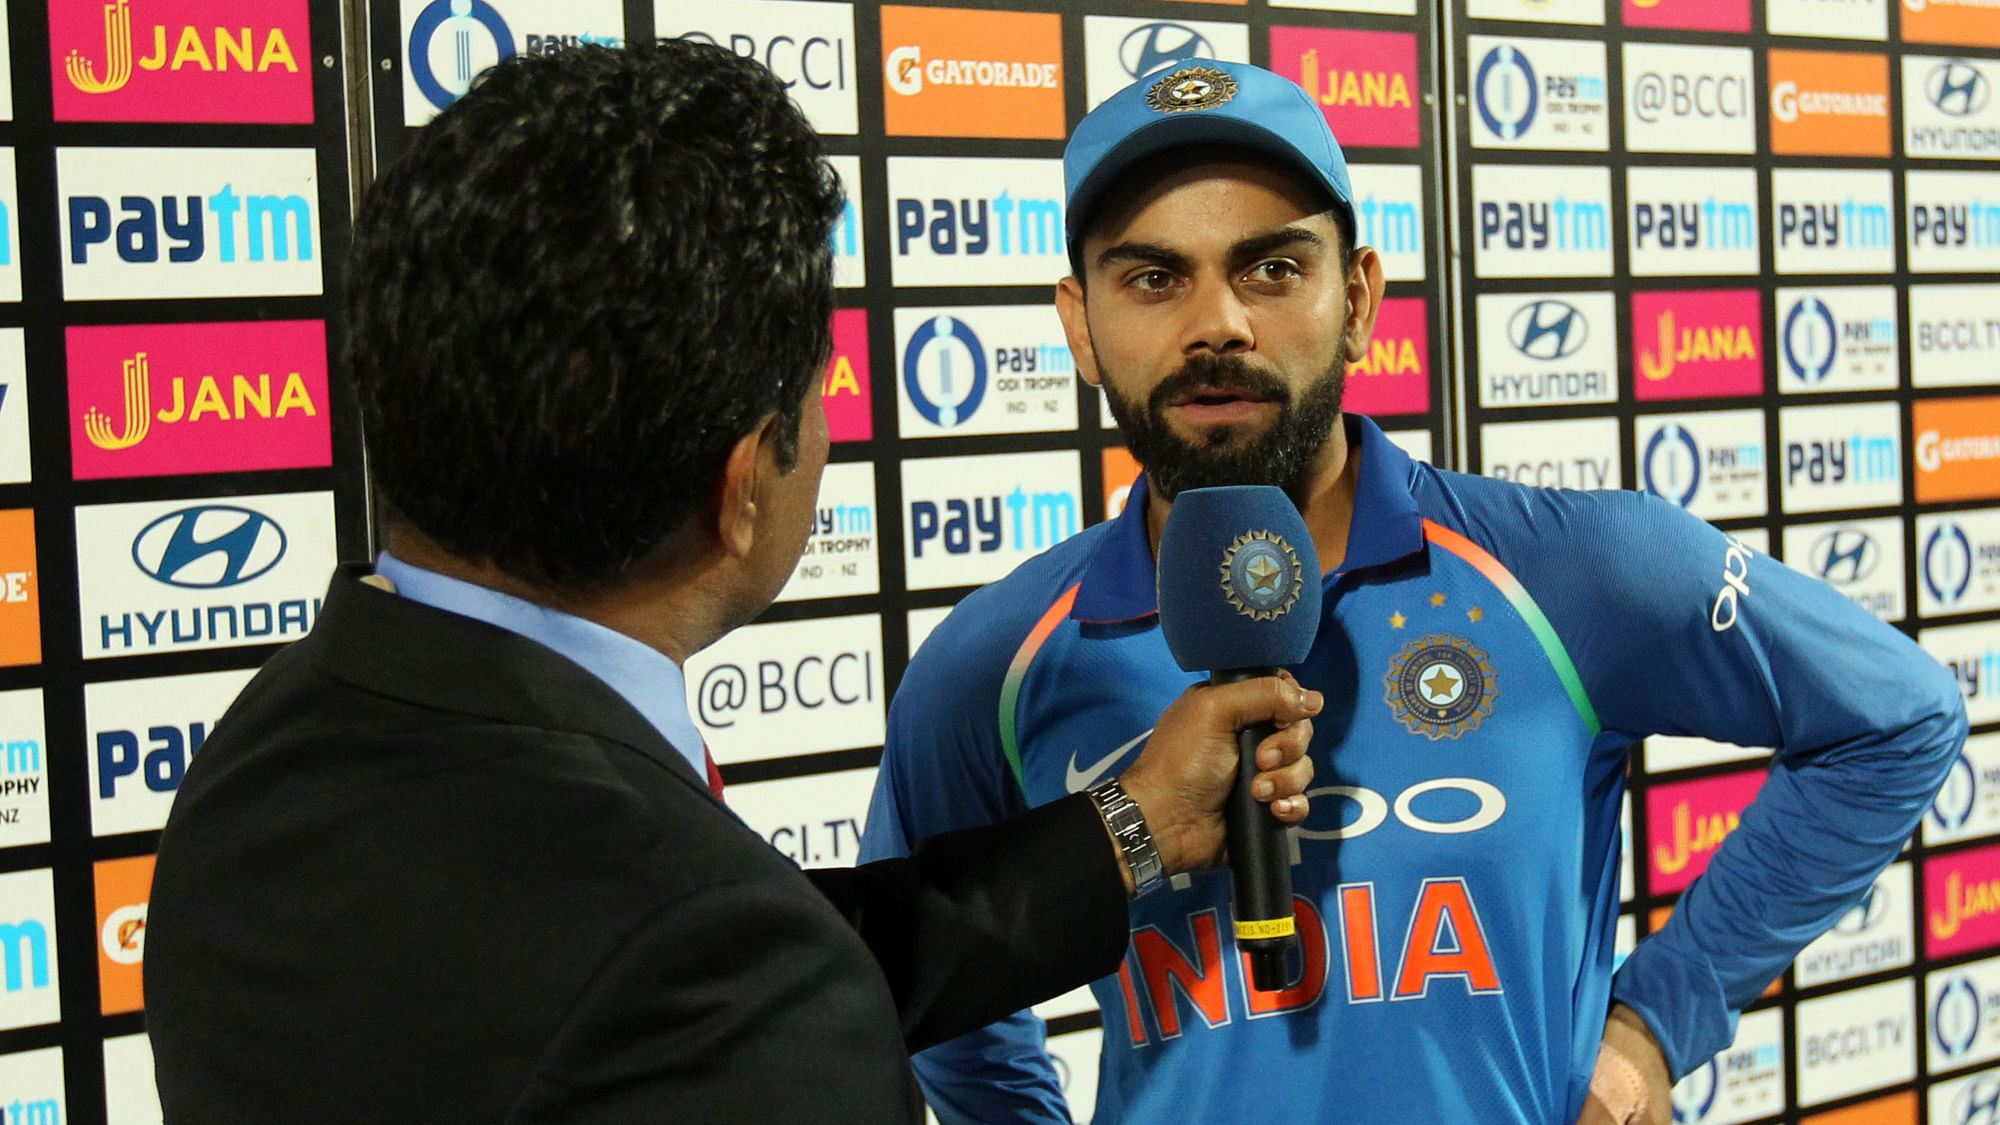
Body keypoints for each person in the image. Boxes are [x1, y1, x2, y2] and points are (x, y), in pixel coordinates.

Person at [142, 43, 1324, 1124]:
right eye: (818, 397)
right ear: (741, 480)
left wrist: (1122, 830)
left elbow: (683, 958)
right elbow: (714, 973)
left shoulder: (278, 747)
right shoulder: (714, 967)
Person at [861, 58, 1969, 1125]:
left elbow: (1895, 719)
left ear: (1357, 298)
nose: (1218, 324)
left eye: (1270, 269)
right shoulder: (990, 667)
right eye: (1152, 277)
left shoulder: (1576, 572)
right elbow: (929, 977)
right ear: (1078, 324)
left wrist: (1655, 1023)